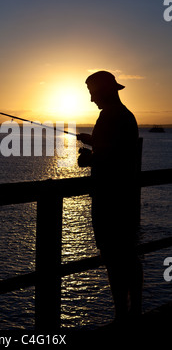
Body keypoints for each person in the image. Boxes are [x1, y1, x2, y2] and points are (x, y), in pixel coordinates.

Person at [77, 70, 143, 325]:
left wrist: (88, 158)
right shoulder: (125, 116)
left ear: (103, 91)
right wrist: (93, 141)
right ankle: (134, 311)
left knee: (114, 257)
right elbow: (117, 148)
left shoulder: (109, 117)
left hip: (109, 200)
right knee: (128, 254)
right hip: (125, 197)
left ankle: (121, 316)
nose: (92, 99)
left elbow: (109, 156)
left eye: (92, 93)